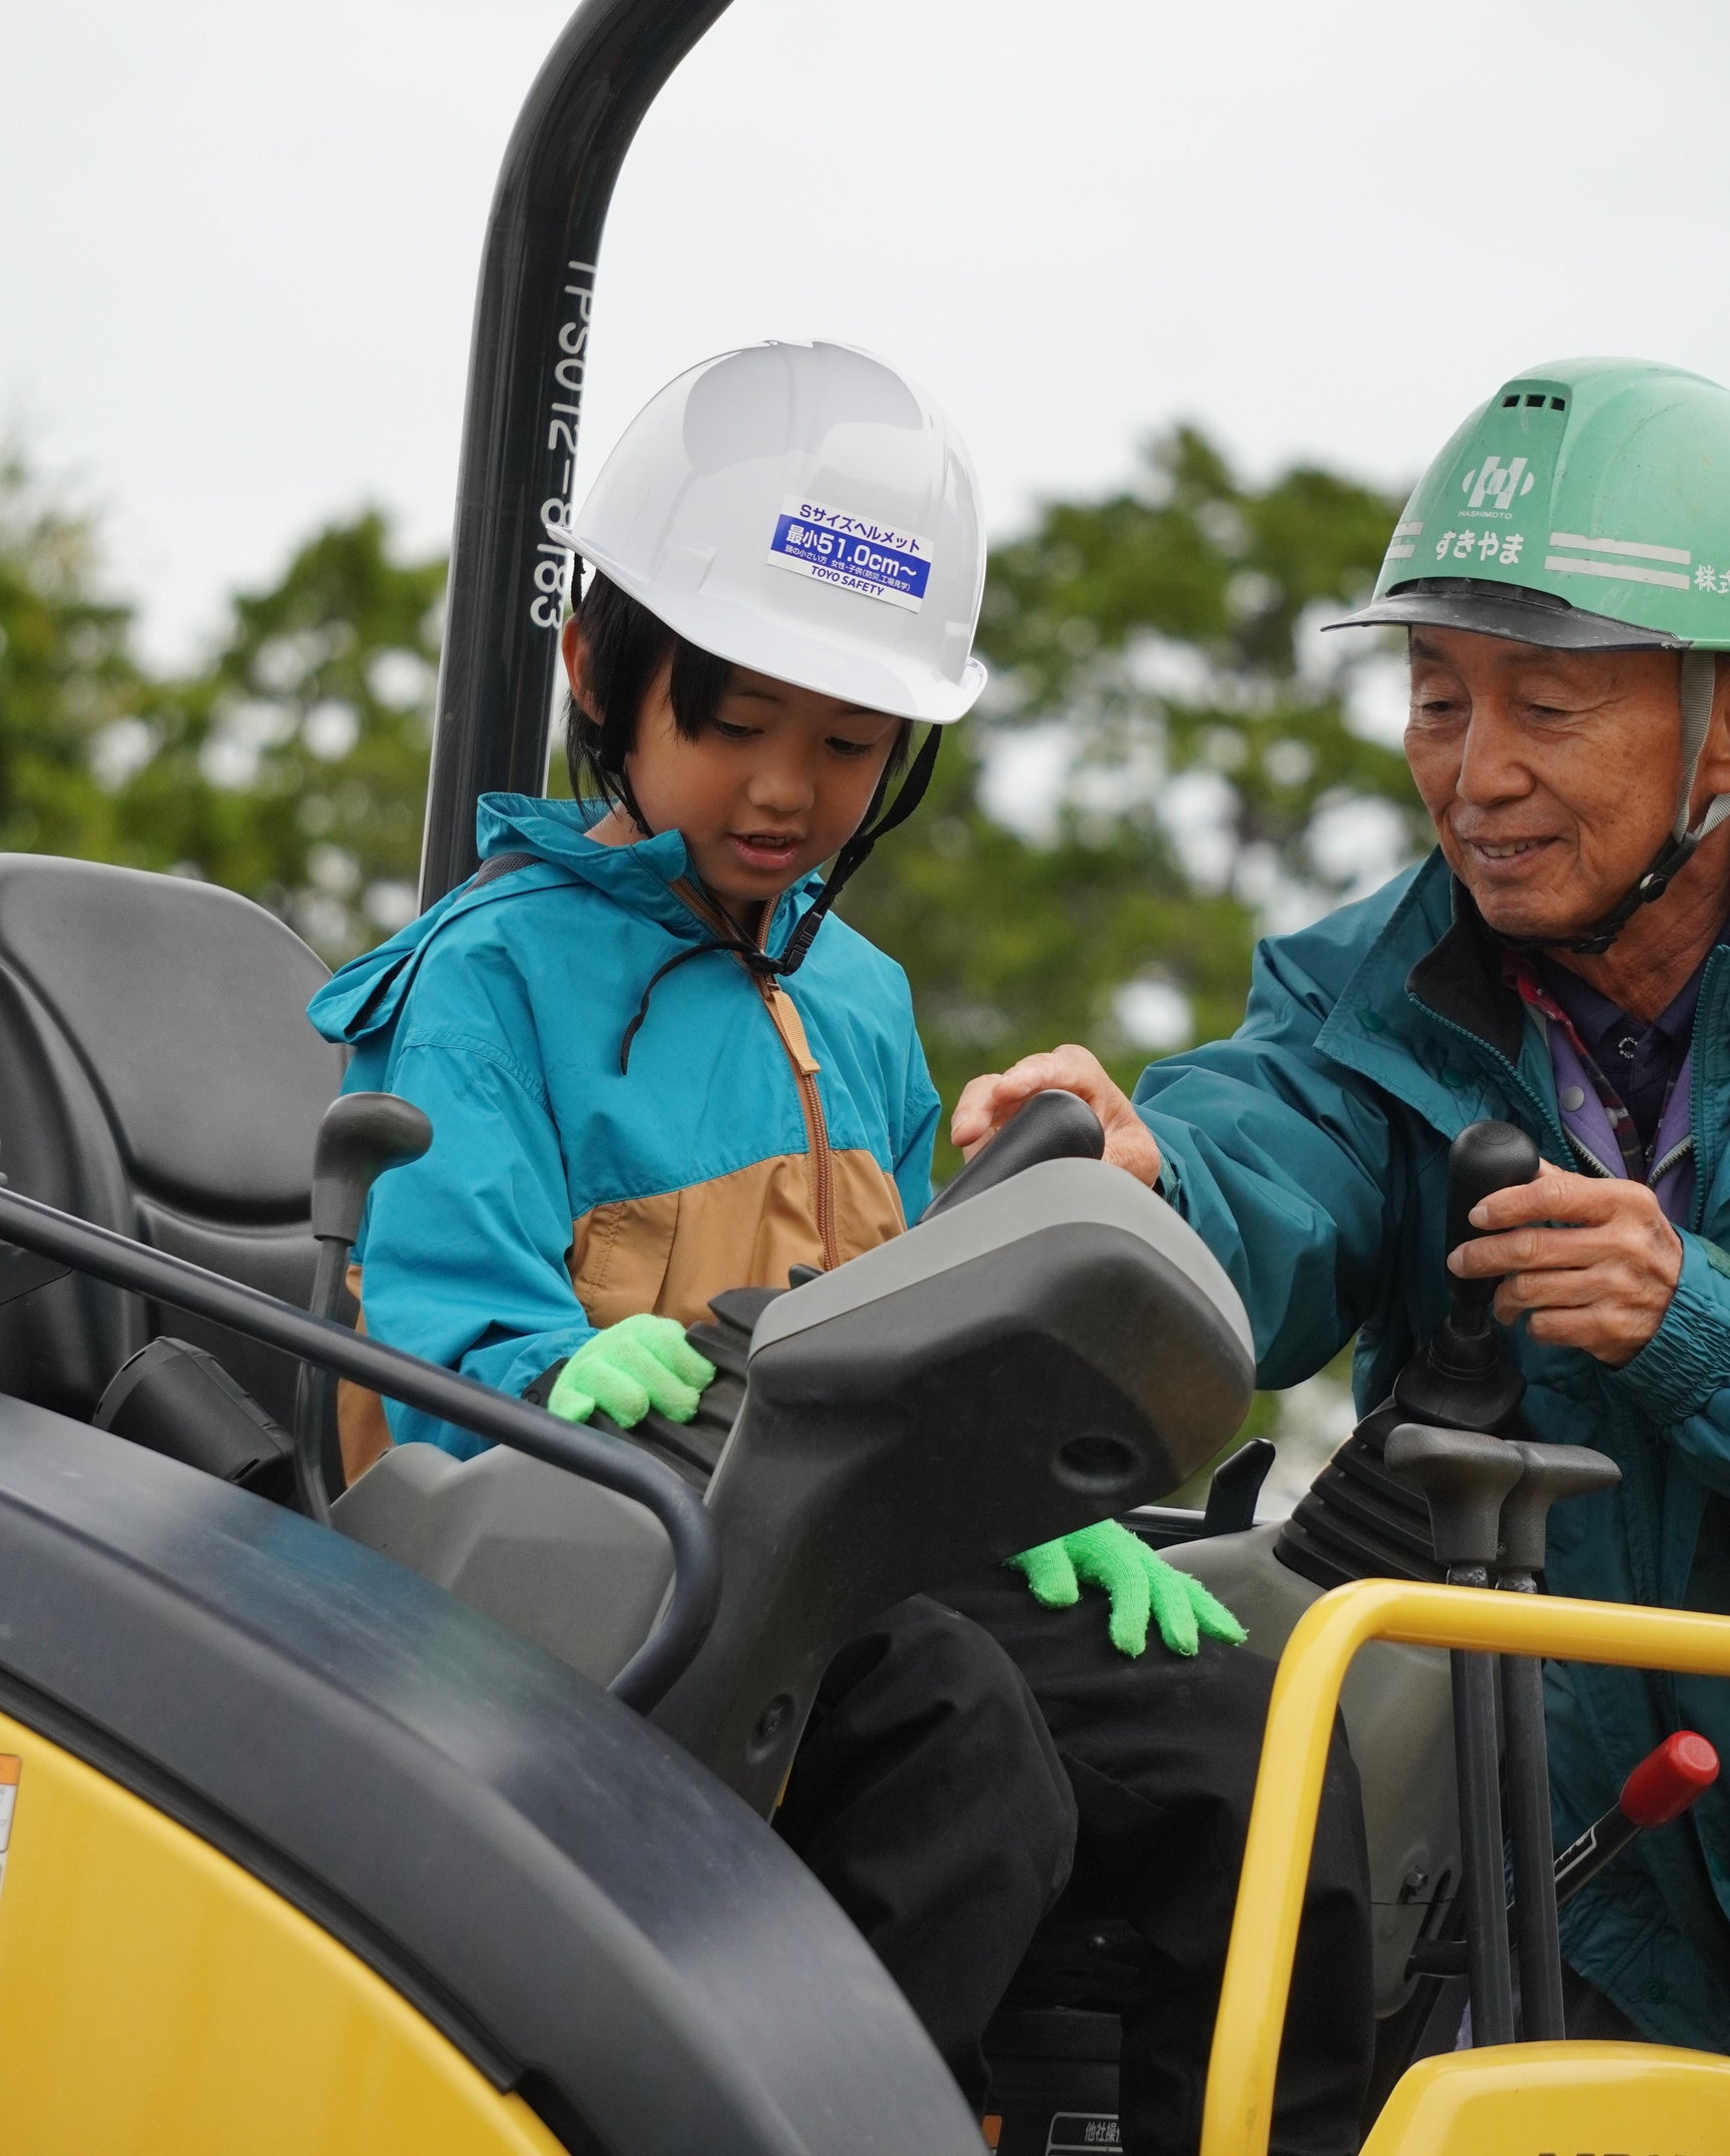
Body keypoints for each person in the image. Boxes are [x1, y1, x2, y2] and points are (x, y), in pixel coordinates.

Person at [309, 339, 1374, 2156]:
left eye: (847, 742)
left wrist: (1027, 1498)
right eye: (734, 722)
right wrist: (557, 1372)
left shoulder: (860, 1002)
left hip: (850, 1546)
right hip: (601, 1555)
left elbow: (917, 1335)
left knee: (1247, 1738)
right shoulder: (485, 978)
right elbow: (428, 1350)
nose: (784, 789)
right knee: (956, 1747)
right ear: (598, 672)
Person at [955, 353, 1730, 2052]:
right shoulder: (1367, 993)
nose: (1474, 771)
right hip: (1561, 1888)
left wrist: (1690, 1322)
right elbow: (1266, 1161)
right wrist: (1145, 1184)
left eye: (1545, 706)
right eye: (1436, 699)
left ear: (1717, 721)